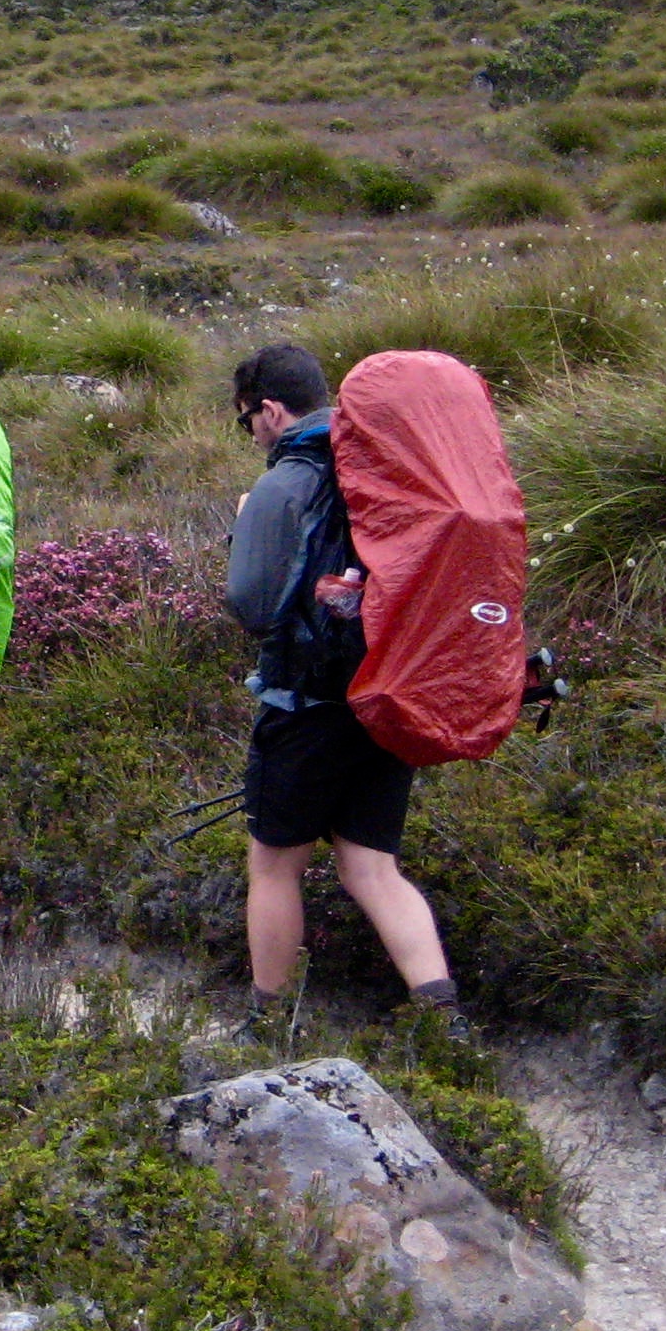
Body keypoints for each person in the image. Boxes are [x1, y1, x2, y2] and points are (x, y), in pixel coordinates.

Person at [223, 341, 464, 1038]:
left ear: (270, 410)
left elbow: (253, 606)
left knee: (273, 865)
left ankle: (265, 1023)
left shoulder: (288, 481)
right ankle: (446, 1023)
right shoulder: (389, 467)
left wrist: (245, 527)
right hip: (388, 697)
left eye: (248, 423)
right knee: (373, 867)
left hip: (306, 704)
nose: (254, 436)